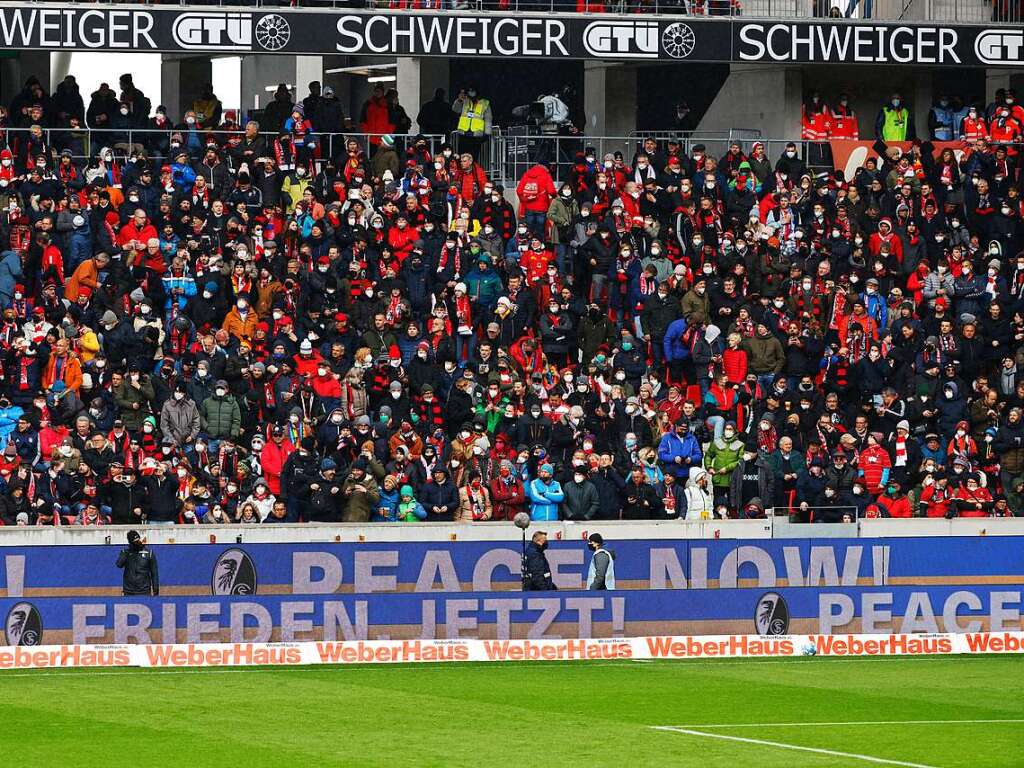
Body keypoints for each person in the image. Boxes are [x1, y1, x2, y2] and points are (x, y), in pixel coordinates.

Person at [116, 530, 158, 596]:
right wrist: (128, 552)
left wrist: (156, 591)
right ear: (130, 542)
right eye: (135, 542)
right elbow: (119, 564)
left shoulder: (149, 553)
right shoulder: (125, 553)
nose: (137, 543)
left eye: (138, 540)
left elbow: (154, 573)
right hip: (128, 591)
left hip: (144, 591)